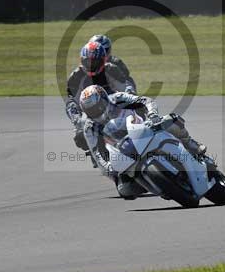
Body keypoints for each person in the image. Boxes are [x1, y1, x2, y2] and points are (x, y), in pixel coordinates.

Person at [79, 85, 207, 199]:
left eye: (97, 107)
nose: (95, 112)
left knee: (171, 121)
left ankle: (191, 144)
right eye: (90, 111)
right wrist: (109, 168)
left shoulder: (118, 98)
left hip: (143, 129)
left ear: (104, 100)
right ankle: (153, 184)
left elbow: (145, 101)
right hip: (122, 149)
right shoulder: (89, 127)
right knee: (125, 190)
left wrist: (152, 115)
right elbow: (96, 153)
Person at [65, 41, 136, 152]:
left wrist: (131, 95)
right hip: (90, 113)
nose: (91, 66)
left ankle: (145, 137)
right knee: (80, 136)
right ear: (82, 61)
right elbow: (71, 102)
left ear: (103, 60)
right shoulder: (76, 76)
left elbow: (126, 86)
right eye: (88, 62)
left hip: (113, 106)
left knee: (138, 111)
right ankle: (98, 156)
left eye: (95, 62)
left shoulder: (111, 69)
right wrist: (77, 119)